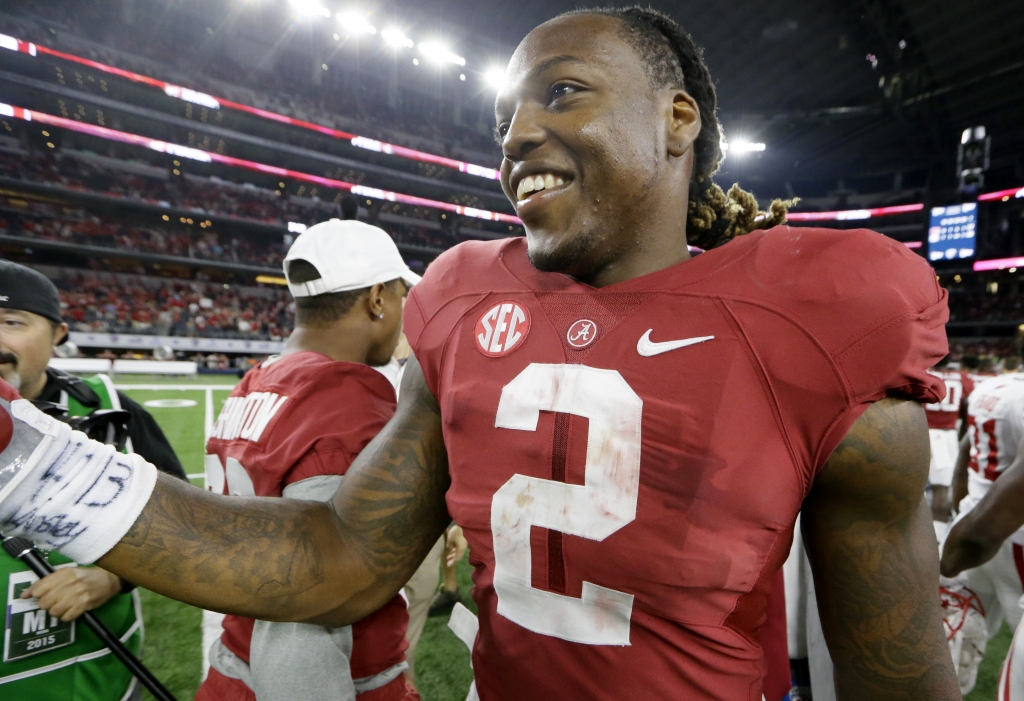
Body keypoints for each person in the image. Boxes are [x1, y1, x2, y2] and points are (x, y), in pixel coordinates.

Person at [0, 7, 961, 699]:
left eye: (563, 93)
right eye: (505, 116)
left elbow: (897, 672)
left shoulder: (814, 317)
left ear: (677, 119)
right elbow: (337, 555)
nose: (517, 136)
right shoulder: (466, 298)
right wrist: (28, 463)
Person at [194, 220, 420, 701]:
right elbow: (314, 593)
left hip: (238, 661)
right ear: (378, 298)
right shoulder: (346, 394)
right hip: (320, 678)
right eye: (401, 293)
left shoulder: (255, 382)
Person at [0, 259, 185, 700]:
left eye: (11, 322)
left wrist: (112, 579)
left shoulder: (111, 408)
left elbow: (181, 525)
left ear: (58, 335)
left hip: (98, 677)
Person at [941, 430, 1024, 699]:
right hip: (1007, 528)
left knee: (962, 625)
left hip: (994, 522)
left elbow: (966, 450)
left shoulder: (988, 392)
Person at [926, 354, 974, 533]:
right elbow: (967, 408)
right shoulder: (962, 377)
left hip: (921, 430)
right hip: (945, 435)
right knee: (942, 488)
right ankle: (938, 534)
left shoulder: (924, 374)